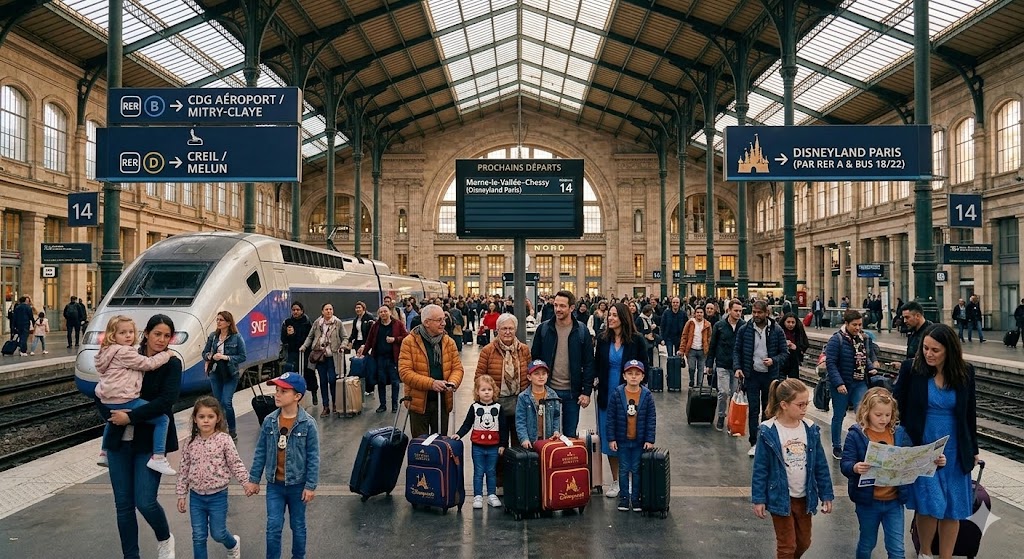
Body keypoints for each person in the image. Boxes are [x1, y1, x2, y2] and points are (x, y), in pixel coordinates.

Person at [894, 324, 978, 559]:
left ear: (949, 350)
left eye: (935, 350)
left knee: (953, 506)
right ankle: (926, 553)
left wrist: (973, 449)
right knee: (929, 503)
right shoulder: (912, 369)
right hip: (924, 445)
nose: (928, 354)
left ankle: (946, 556)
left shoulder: (965, 372)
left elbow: (969, 413)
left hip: (955, 448)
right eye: (925, 348)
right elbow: (897, 403)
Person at [103, 314, 182, 559]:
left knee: (145, 501)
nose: (161, 340)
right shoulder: (125, 354)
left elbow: (166, 401)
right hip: (119, 442)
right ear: (146, 334)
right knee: (123, 505)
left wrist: (130, 417)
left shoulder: (171, 363)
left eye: (167, 336)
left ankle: (165, 538)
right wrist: (110, 414)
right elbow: (103, 391)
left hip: (149, 442)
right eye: (157, 334)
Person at [751, 378, 834, 559]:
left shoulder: (810, 429)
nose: (805, 409)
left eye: (806, 404)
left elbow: (820, 465)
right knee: (787, 546)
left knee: (804, 542)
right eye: (800, 405)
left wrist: (826, 494)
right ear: (784, 405)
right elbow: (760, 469)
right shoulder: (768, 430)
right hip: (780, 496)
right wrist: (759, 499)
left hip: (805, 497)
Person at [248, 372, 320, 559]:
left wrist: (310, 486)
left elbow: (313, 457)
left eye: (283, 391)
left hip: (298, 485)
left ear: (297, 396)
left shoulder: (308, 424)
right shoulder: (269, 421)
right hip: (275, 486)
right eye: (277, 390)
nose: (277, 394)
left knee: (298, 526)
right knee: (273, 526)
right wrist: (254, 479)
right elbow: (261, 451)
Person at [840, 388, 918, 559]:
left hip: (894, 501)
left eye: (888, 415)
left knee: (897, 549)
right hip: (868, 502)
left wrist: (935, 463)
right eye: (878, 415)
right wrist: (855, 468)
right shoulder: (856, 435)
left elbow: (912, 459)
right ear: (866, 412)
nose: (884, 419)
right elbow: (845, 463)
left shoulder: (899, 433)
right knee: (867, 543)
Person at [175, 396, 256, 559]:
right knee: (198, 536)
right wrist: (181, 494)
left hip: (218, 496)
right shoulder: (190, 442)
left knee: (218, 533)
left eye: (210, 416)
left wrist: (246, 482)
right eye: (201, 417)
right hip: (196, 497)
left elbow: (235, 463)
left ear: (217, 418)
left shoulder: (224, 440)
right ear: (195, 419)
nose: (206, 420)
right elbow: (184, 469)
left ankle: (232, 544)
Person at [94, 315, 175, 473]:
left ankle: (104, 452)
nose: (128, 336)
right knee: (163, 420)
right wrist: (166, 354)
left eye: (131, 332)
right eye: (122, 333)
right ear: (146, 333)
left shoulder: (108, 352)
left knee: (112, 417)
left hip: (109, 398)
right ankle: (158, 457)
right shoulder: (126, 352)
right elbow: (148, 364)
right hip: (125, 398)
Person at [594, 302, 649, 498]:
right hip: (606, 394)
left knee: (629, 436)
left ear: (624, 318)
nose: (610, 318)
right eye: (609, 315)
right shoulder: (602, 339)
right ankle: (616, 480)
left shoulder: (637, 340)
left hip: (629, 395)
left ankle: (630, 479)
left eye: (614, 315)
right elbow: (597, 364)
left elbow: (645, 367)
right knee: (610, 437)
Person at [530, 289, 595, 437]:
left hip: (573, 394)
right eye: (556, 305)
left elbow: (589, 363)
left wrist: (586, 392)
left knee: (569, 436)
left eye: (562, 306)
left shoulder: (581, 331)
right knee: (547, 435)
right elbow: (535, 359)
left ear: (571, 308)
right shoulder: (544, 329)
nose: (558, 309)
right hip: (548, 392)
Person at [398, 304, 464, 438]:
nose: (444, 323)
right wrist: (431, 384)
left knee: (440, 443)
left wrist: (452, 382)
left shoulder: (448, 342)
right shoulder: (409, 342)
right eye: (439, 320)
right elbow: (405, 372)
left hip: (442, 402)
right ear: (426, 322)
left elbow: (457, 368)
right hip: (418, 404)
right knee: (421, 445)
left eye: (444, 319)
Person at [734, 300, 789, 456]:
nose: (756, 315)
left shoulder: (777, 330)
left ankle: (765, 441)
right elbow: (737, 350)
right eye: (754, 312)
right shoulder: (744, 329)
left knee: (768, 409)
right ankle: (754, 442)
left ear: (767, 313)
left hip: (770, 376)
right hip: (751, 375)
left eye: (759, 312)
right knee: (753, 410)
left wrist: (773, 360)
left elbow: (784, 353)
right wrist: (738, 368)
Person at [824, 310, 879, 460]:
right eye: (854, 325)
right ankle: (837, 446)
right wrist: (839, 383)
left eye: (860, 324)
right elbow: (831, 363)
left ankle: (864, 444)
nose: (858, 328)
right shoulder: (836, 340)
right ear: (846, 324)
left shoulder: (861, 338)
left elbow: (863, 357)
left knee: (863, 413)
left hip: (859, 382)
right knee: (839, 415)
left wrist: (870, 367)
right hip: (842, 384)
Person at [475, 313, 530, 455]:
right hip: (497, 405)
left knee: (519, 445)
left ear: (515, 329)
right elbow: (479, 377)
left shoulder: (524, 350)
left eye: (511, 328)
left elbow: (530, 376)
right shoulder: (488, 350)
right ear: (497, 330)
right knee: (499, 446)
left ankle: (517, 468)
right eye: (504, 328)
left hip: (520, 404)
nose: (507, 332)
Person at [606, 359, 657, 512]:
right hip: (622, 440)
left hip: (639, 441)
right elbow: (611, 418)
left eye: (637, 374)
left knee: (636, 469)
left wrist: (649, 439)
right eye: (630, 373)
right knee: (623, 469)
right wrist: (611, 438)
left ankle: (635, 499)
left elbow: (651, 419)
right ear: (624, 376)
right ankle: (624, 498)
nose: (633, 376)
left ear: (642, 377)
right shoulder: (617, 394)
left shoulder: (647, 395)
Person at [453, 375, 508, 510]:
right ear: (477, 392)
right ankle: (477, 496)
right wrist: (459, 434)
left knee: (491, 471)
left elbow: (503, 428)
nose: (487, 392)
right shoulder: (474, 407)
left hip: (494, 446)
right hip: (477, 446)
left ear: (494, 391)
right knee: (478, 471)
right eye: (483, 390)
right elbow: (467, 424)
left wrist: (502, 444)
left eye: (489, 389)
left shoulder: (498, 408)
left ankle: (491, 495)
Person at [202, 311, 248, 439]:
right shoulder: (213, 336)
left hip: (230, 374)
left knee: (226, 402)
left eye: (221, 320)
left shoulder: (236, 337)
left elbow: (243, 356)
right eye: (217, 320)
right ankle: (221, 429)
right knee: (218, 403)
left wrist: (226, 357)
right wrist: (210, 356)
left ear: (228, 322)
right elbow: (204, 353)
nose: (218, 322)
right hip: (215, 373)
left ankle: (232, 430)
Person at [300, 303, 346, 417]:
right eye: (326, 309)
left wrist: (342, 346)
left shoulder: (338, 323)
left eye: (330, 309)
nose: (329, 311)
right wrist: (304, 346)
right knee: (323, 381)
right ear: (322, 311)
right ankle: (326, 406)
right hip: (320, 357)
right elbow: (310, 336)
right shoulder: (317, 323)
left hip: (333, 357)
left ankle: (335, 403)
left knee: (332, 380)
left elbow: (345, 337)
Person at [360, 305, 409, 413]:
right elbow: (369, 340)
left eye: (385, 311)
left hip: (393, 358)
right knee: (381, 381)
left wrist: (395, 339)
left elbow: (406, 337)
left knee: (395, 382)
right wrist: (363, 353)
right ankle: (382, 405)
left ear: (390, 312)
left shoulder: (397, 324)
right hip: (379, 358)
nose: (383, 313)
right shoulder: (376, 326)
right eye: (381, 312)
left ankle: (395, 405)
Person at [707, 299, 745, 432]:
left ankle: (732, 419)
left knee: (734, 394)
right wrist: (709, 364)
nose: (738, 313)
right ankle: (721, 415)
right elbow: (712, 345)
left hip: (737, 366)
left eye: (740, 311)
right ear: (729, 310)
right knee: (723, 392)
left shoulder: (744, 326)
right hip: (722, 364)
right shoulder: (719, 326)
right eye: (736, 310)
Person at [515, 360, 562, 447]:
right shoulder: (523, 397)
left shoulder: (553, 395)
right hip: (531, 441)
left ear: (547, 376)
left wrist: (556, 431)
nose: (541, 377)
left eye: (544, 373)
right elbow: (520, 421)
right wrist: (524, 439)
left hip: (549, 440)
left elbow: (556, 416)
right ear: (529, 377)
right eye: (536, 374)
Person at [280, 302, 315, 403]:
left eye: (297, 310)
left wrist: (304, 345)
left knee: (309, 372)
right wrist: (289, 334)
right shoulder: (287, 322)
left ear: (302, 311)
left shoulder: (307, 322)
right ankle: (293, 395)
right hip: (293, 352)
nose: (295, 312)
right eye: (293, 310)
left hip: (306, 352)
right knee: (291, 372)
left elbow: (310, 337)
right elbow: (283, 339)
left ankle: (314, 392)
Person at [678, 306, 711, 388]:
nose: (699, 314)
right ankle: (691, 380)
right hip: (691, 349)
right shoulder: (690, 323)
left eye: (701, 312)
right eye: (698, 312)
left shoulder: (707, 324)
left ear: (703, 314)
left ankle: (699, 385)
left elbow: (710, 337)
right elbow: (684, 336)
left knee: (701, 369)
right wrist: (682, 349)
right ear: (695, 314)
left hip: (702, 350)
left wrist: (708, 348)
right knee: (691, 367)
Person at [780, 312, 809, 380]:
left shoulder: (799, 331)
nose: (791, 324)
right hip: (781, 362)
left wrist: (796, 347)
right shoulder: (779, 331)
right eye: (788, 322)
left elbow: (805, 345)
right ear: (784, 322)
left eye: (793, 322)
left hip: (794, 362)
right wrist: (783, 344)